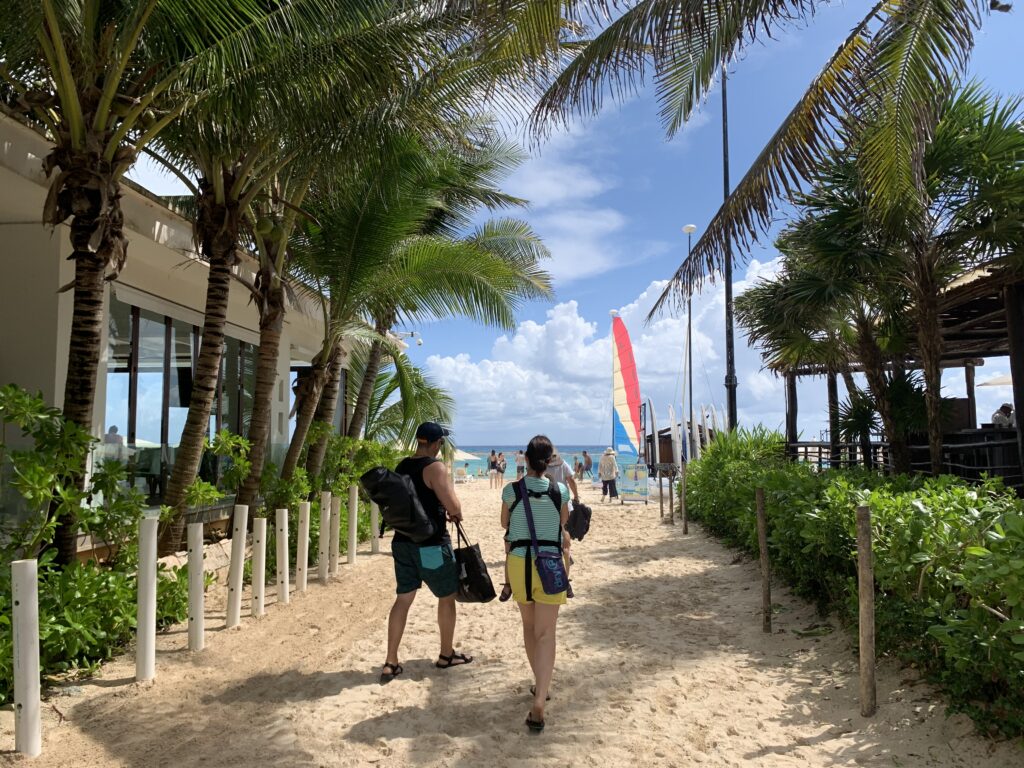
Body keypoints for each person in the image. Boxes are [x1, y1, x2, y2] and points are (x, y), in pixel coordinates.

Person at [381, 422, 472, 684]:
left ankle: (391, 661)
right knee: (446, 596)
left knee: (403, 599)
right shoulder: (435, 467)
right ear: (435, 444)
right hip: (430, 545)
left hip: (402, 544)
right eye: (440, 443)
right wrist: (455, 511)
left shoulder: (402, 465)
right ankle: (446, 655)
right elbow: (453, 506)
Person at [500, 435, 569, 733]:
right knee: (546, 632)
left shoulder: (511, 490)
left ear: (525, 459)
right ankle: (540, 696)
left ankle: (539, 683)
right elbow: (562, 524)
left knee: (529, 627)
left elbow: (505, 524)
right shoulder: (560, 491)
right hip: (550, 563)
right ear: (550, 460)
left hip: (519, 562)